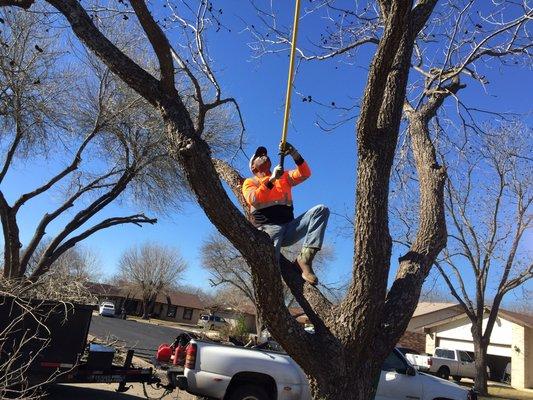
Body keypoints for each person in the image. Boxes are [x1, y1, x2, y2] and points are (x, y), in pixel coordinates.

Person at [242, 142, 329, 285]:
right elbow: (254, 199)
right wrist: (272, 179)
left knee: (321, 210)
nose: (263, 156)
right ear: (253, 166)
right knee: (270, 272)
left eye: (264, 154)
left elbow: (305, 173)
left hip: (289, 228)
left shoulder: (284, 176)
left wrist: (294, 153)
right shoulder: (250, 182)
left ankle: (304, 260)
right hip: (268, 229)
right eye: (259, 155)